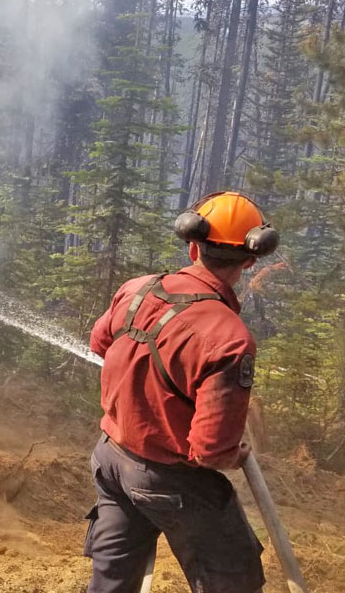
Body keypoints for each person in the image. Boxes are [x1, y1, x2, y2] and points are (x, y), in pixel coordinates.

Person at [84, 191, 280, 593]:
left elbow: (101, 344)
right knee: (233, 580)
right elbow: (210, 450)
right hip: (171, 480)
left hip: (111, 461)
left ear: (193, 246)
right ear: (249, 260)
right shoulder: (229, 338)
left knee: (112, 583)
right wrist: (233, 453)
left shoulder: (137, 289)